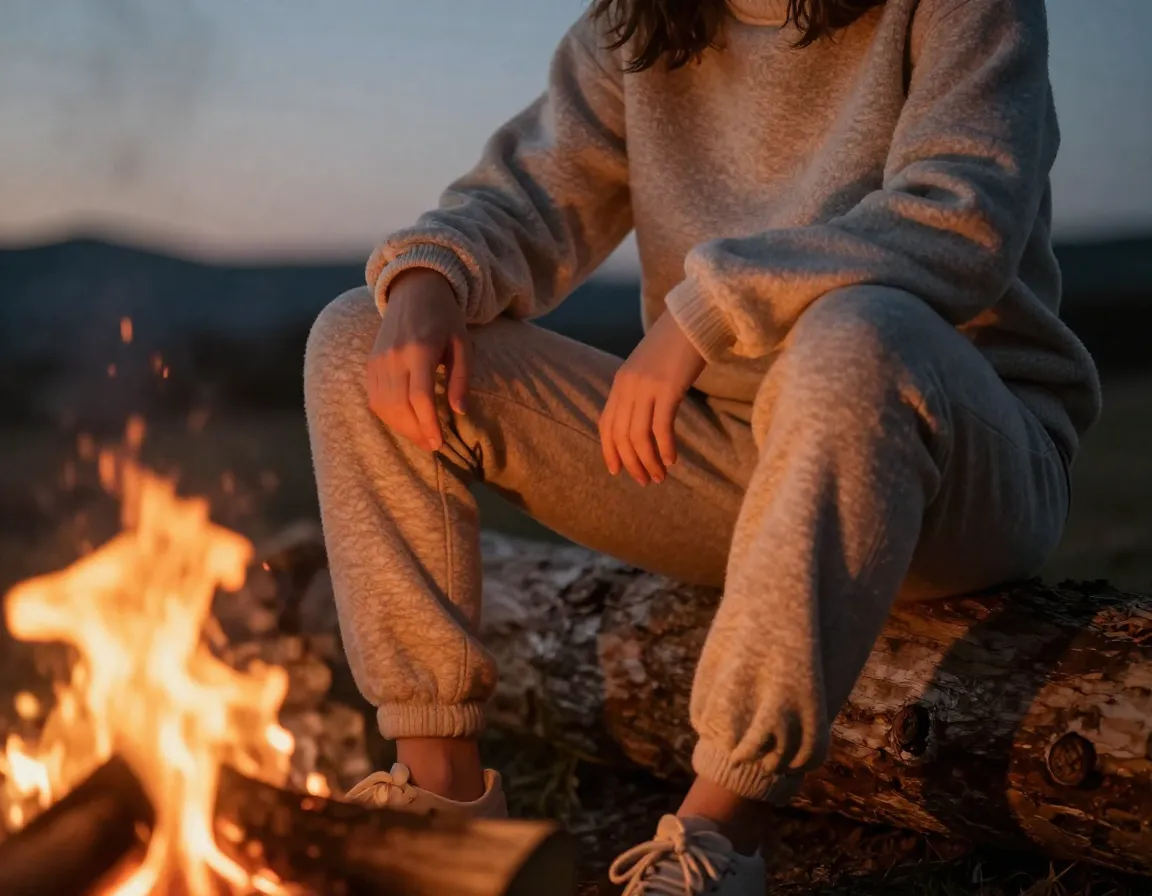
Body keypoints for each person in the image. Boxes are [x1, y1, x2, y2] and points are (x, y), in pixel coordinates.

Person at [304, 0, 1100, 891]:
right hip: (725, 465)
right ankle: (440, 804)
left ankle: (717, 840)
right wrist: (429, 277)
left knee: (855, 336)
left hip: (950, 456)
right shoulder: (638, 27)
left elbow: (959, 218)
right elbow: (525, 198)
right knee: (352, 336)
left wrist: (706, 314)